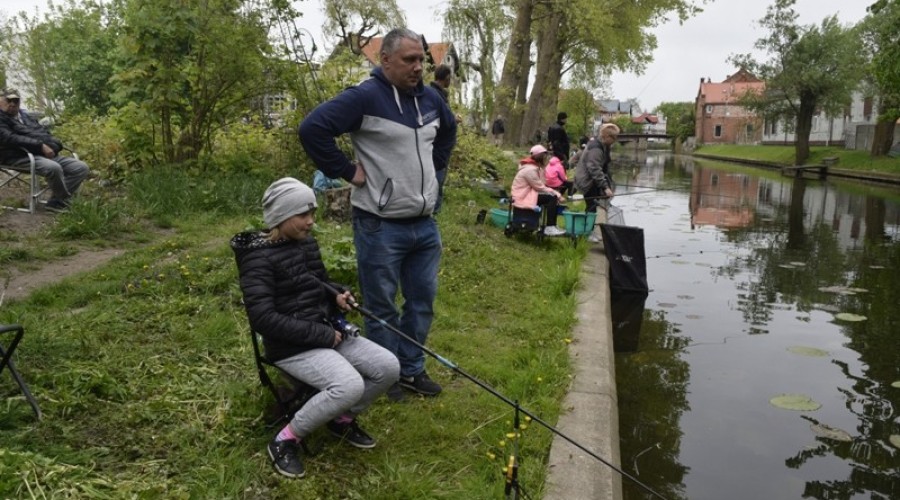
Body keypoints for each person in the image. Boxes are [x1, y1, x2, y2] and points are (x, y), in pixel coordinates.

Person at [298, 28, 457, 402]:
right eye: (409, 60)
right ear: (385, 61)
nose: (418, 67)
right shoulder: (364, 97)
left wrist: (436, 170)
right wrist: (346, 171)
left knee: (421, 302)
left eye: (421, 59)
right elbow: (312, 129)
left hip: (424, 223)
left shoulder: (432, 99)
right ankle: (388, 375)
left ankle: (412, 371)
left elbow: (448, 133)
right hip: (379, 224)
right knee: (382, 306)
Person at [231, 177, 400, 479]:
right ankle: (284, 440)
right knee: (349, 385)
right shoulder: (257, 259)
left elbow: (317, 282)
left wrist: (336, 294)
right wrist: (321, 335)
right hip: (291, 345)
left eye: (313, 214)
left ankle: (339, 418)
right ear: (281, 216)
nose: (311, 222)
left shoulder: (305, 243)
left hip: (325, 328)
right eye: (303, 215)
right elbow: (263, 318)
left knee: (388, 367)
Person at [0, 88, 90, 212]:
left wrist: (55, 144)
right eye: (8, 100)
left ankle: (56, 201)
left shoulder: (26, 117)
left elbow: (43, 133)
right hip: (18, 156)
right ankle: (63, 200)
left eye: (16, 101)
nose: (12, 104)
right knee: (53, 167)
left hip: (39, 154)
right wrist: (40, 146)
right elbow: (9, 138)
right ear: (1, 101)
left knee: (80, 167)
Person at [575, 124, 618, 243]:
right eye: (613, 138)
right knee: (591, 206)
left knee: (592, 206)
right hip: (586, 180)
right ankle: (587, 233)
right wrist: (605, 187)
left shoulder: (602, 145)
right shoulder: (596, 148)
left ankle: (590, 230)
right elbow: (594, 168)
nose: (614, 141)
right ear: (607, 136)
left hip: (591, 180)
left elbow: (603, 166)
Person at [511, 144, 566, 237]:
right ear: (540, 157)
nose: (547, 158)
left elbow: (542, 183)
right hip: (523, 196)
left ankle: (550, 225)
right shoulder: (530, 170)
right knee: (552, 197)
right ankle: (550, 227)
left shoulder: (534, 167)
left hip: (528, 193)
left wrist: (542, 170)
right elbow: (540, 187)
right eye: (545, 156)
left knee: (551, 196)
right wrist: (558, 194)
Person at [429, 64, 454, 214]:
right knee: (435, 184)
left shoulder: (439, 95)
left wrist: (451, 120)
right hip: (437, 151)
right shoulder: (434, 95)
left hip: (441, 151)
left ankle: (434, 212)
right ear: (447, 78)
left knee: (438, 183)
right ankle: (432, 213)